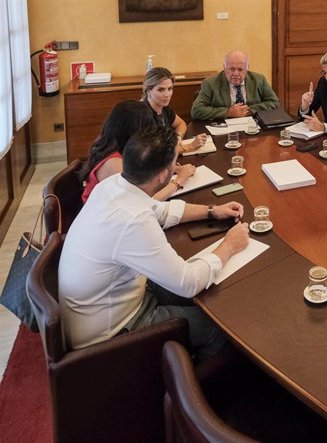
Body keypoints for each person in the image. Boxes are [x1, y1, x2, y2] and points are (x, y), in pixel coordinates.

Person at [59, 125, 250, 359]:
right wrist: (229, 245)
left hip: (107, 303)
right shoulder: (133, 222)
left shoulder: (112, 186)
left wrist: (212, 210)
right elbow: (187, 282)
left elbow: (160, 210)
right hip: (111, 334)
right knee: (221, 329)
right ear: (163, 175)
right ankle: (187, 385)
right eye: (174, 162)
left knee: (213, 295)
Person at [80, 100, 196, 203]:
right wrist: (179, 181)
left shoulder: (114, 144)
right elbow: (145, 203)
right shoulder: (114, 163)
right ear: (134, 131)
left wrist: (172, 168)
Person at [191, 50, 280, 120]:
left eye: (240, 69)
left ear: (247, 68)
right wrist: (228, 112)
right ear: (224, 67)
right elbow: (196, 111)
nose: (236, 73)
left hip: (253, 126)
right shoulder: (210, 83)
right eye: (232, 69)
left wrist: (248, 111)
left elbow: (274, 102)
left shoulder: (259, 80)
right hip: (224, 128)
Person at [142, 67, 207, 153]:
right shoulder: (142, 114)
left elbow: (181, 123)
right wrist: (189, 146)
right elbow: (155, 152)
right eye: (161, 90)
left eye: (170, 89)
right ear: (148, 91)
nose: (167, 95)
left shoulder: (164, 107)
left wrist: (178, 137)